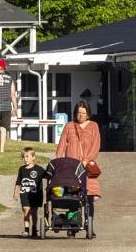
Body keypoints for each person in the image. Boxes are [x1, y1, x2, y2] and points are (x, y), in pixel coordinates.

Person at [55, 99, 101, 233]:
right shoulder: (69, 126)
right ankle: (73, 225)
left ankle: (89, 225)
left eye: (83, 113)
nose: (80, 115)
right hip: (71, 166)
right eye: (78, 112)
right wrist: (59, 162)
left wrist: (86, 160)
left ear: (88, 114)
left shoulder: (94, 126)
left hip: (86, 167)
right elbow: (62, 144)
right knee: (72, 197)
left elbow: (95, 146)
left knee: (89, 197)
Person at [13, 147, 47, 238]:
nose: (25, 159)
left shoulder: (39, 169)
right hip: (24, 193)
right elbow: (18, 182)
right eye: (24, 157)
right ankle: (26, 230)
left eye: (27, 156)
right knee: (26, 210)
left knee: (34, 212)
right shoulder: (21, 169)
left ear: (33, 157)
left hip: (35, 194)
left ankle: (34, 228)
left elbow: (48, 177)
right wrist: (15, 193)